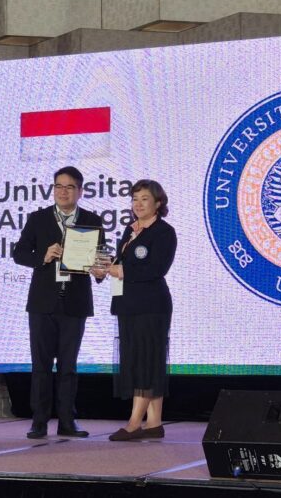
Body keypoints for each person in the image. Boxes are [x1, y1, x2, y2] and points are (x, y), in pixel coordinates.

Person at [13, 166, 106, 439]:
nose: (63, 192)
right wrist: (42, 256)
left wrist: (100, 271)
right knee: (41, 366)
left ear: (80, 191)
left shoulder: (92, 220)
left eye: (69, 187)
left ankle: (67, 421)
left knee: (68, 367)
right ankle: (39, 422)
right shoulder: (38, 218)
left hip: (75, 303)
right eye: (58, 186)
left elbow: (100, 259)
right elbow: (19, 253)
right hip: (42, 303)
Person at [106, 179, 177, 441]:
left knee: (147, 361)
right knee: (142, 361)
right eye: (135, 199)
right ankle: (154, 423)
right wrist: (105, 268)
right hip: (128, 304)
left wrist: (122, 271)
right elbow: (121, 262)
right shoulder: (131, 229)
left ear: (158, 203)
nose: (138, 204)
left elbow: (157, 269)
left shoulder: (164, 232)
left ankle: (134, 423)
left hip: (151, 305)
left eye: (144, 198)